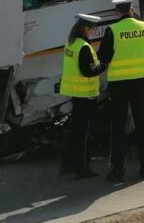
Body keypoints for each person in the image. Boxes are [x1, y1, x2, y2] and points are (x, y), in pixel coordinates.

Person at [98, 0, 144, 182]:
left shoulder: (112, 30)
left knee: (118, 127)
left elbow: (104, 57)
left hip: (119, 84)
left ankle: (118, 171)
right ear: (132, 9)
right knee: (143, 124)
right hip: (142, 83)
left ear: (117, 11)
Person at [60, 13, 107, 179]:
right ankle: (83, 168)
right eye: (92, 29)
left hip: (75, 94)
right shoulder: (84, 47)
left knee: (75, 132)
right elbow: (88, 71)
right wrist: (104, 66)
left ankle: (67, 164)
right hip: (86, 96)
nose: (93, 32)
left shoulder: (71, 44)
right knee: (85, 134)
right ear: (84, 29)